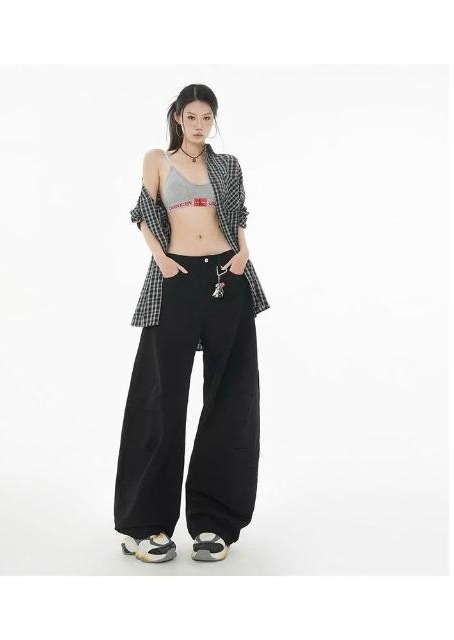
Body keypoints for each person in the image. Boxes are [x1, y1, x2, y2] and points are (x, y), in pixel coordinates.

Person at [113, 84, 270, 563]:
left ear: (213, 120)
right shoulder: (157, 159)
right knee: (159, 396)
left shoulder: (228, 165)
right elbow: (144, 213)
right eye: (192, 117)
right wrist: (162, 260)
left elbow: (237, 215)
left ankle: (215, 523)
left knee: (231, 397)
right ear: (178, 117)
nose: (200, 125)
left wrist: (243, 255)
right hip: (175, 277)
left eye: (207, 118)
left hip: (227, 275)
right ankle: (144, 525)